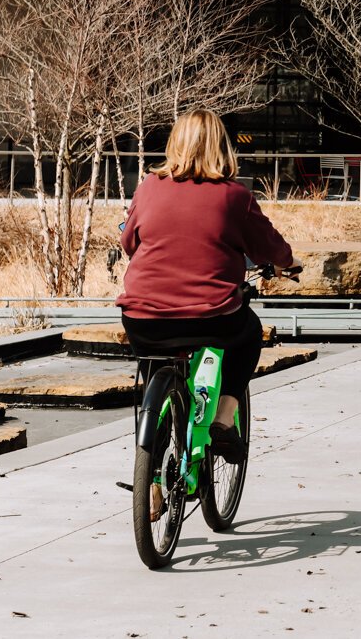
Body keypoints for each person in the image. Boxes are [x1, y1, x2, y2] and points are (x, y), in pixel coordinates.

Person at [117, 108, 298, 466]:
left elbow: (128, 243)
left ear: (175, 143)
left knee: (156, 368)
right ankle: (223, 417)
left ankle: (151, 477)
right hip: (210, 317)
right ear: (221, 145)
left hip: (142, 317)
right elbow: (269, 249)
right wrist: (288, 264)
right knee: (248, 334)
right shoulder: (234, 196)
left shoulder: (149, 187)